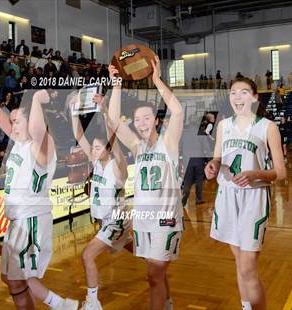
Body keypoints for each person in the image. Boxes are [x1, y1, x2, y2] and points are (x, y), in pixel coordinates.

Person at [0, 62, 78, 310]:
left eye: (16, 121)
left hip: (31, 220)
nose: (11, 126)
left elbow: (35, 127)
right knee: (10, 278)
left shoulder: (43, 144)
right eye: (11, 121)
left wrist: (35, 101)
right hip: (17, 220)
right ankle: (59, 304)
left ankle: (58, 304)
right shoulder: (20, 141)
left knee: (17, 280)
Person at [108, 57, 183, 310]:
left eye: (146, 118)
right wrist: (116, 85)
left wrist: (156, 80)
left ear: (156, 121)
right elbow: (114, 121)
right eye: (137, 119)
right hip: (143, 219)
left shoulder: (168, 142)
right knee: (156, 274)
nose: (140, 123)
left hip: (166, 218)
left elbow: (178, 110)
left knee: (153, 274)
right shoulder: (136, 147)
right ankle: (168, 303)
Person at [204, 77, 286, 310]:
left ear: (254, 97)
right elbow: (218, 158)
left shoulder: (268, 126)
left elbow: (280, 172)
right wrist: (212, 166)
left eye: (243, 92)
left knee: (249, 267)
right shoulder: (223, 125)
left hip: (254, 196)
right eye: (233, 93)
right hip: (227, 196)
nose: (237, 97)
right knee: (240, 264)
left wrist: (255, 174)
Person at [70, 93, 131, 310]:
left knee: (87, 255)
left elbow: (113, 139)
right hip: (106, 221)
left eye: (98, 148)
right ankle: (154, 258)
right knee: (132, 246)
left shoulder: (116, 165)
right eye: (93, 148)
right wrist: (73, 111)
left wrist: (104, 111)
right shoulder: (96, 162)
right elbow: (79, 136)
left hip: (117, 219)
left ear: (107, 150)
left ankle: (93, 302)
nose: (93, 151)